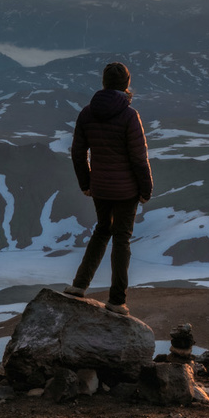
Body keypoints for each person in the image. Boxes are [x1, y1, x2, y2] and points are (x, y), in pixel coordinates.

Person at [64, 61, 153, 315]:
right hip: (126, 191)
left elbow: (78, 154)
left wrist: (86, 183)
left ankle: (79, 285)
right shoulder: (129, 115)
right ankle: (116, 300)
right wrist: (146, 189)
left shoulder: (86, 113)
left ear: (103, 83)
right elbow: (138, 157)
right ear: (126, 84)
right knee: (121, 239)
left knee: (102, 230)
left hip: (100, 188)